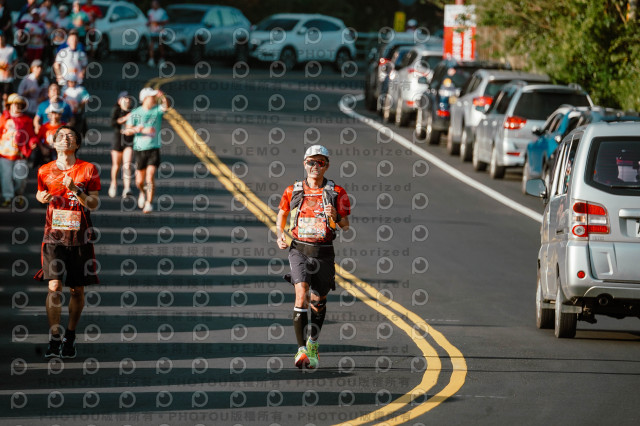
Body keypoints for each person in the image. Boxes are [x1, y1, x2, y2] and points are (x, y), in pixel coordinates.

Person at [276, 145, 351, 369]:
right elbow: (282, 213)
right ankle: (301, 350)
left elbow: (345, 225)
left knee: (318, 301)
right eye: (311, 162)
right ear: (304, 164)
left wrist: (335, 215)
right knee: (301, 294)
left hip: (324, 251)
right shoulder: (293, 190)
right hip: (299, 249)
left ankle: (313, 344)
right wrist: (280, 235)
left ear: (326, 165)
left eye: (320, 162)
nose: (315, 166)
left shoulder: (337, 192)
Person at [35, 125, 100, 358]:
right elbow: (40, 192)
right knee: (54, 286)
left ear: (77, 144)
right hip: (53, 235)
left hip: (79, 237)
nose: (65, 139)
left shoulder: (88, 169)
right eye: (60, 137)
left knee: (77, 290)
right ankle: (54, 337)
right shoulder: (45, 170)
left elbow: (94, 203)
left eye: (70, 136)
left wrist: (76, 190)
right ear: (54, 144)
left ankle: (69, 336)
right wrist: (41, 197)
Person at [123, 87, 169, 213]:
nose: (154, 98)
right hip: (140, 149)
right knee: (139, 181)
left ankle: (149, 203)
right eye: (151, 97)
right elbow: (127, 130)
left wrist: (163, 96)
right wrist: (141, 130)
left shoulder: (157, 110)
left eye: (154, 96)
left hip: (154, 148)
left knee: (150, 176)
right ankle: (142, 192)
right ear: (144, 99)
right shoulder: (136, 112)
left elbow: (166, 106)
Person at [0, 94, 37, 207]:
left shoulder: (27, 120)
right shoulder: (3, 118)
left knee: (20, 177)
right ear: (9, 105)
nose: (17, 106)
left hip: (21, 153)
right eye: (15, 104)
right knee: (6, 176)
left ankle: (19, 194)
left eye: (20, 104)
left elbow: (31, 135)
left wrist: (33, 142)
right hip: (5, 153)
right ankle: (8, 197)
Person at [109, 91, 134, 198]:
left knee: (127, 165)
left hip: (129, 141)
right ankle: (113, 184)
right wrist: (125, 118)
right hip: (118, 140)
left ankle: (127, 188)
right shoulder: (116, 110)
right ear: (119, 101)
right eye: (125, 98)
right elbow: (112, 123)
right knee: (116, 165)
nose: (127, 100)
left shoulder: (133, 111)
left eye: (129, 98)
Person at [146, 0, 168, 67]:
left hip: (160, 32)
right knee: (151, 46)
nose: (152, 5)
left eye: (154, 4)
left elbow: (166, 21)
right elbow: (149, 21)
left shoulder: (162, 12)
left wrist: (157, 23)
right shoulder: (150, 11)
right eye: (152, 4)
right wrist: (149, 23)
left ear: (157, 4)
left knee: (160, 46)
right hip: (152, 32)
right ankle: (151, 60)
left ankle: (162, 60)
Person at [0, 30, 17, 110]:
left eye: (1, 37)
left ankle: (6, 111)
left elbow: (16, 60)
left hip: (7, 78)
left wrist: (11, 67)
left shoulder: (10, 49)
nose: (0, 39)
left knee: (6, 96)